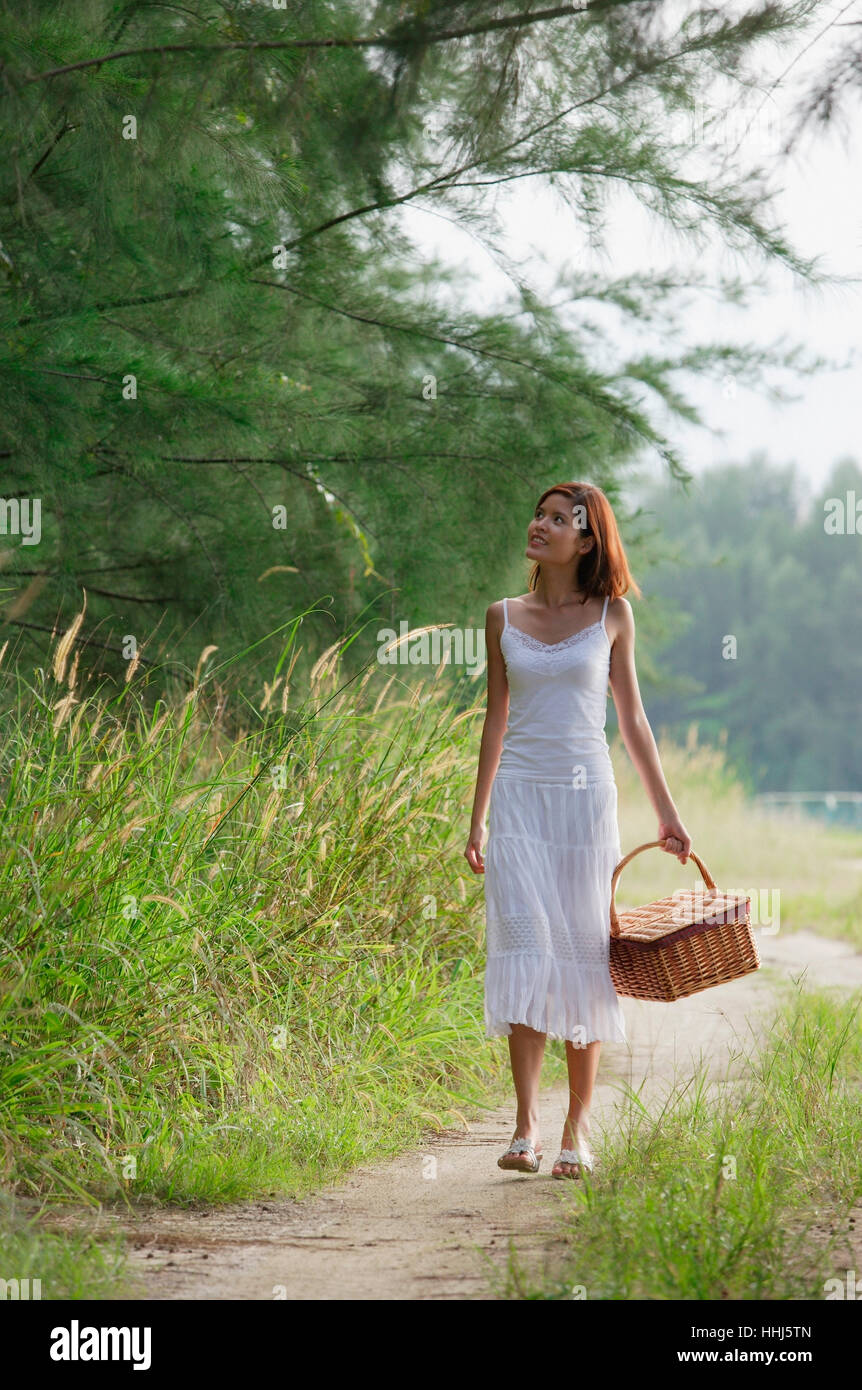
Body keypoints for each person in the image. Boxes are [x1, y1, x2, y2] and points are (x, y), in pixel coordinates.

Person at [465, 481, 691, 1179]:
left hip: (587, 802)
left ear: (587, 540)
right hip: (520, 804)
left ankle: (576, 1133)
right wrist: (475, 819)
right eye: (539, 513)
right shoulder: (502, 616)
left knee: (583, 959)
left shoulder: (612, 615)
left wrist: (667, 812)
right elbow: (495, 721)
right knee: (527, 953)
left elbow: (632, 722)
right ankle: (524, 1128)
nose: (541, 524)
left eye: (559, 519)